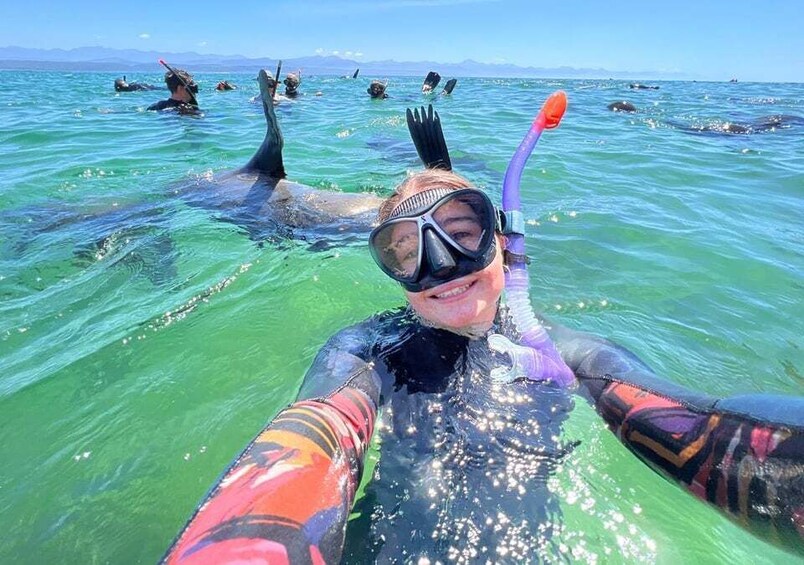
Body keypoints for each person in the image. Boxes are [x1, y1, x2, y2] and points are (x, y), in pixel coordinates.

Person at [161, 107, 803, 563]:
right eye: (407, 250)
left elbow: (690, 426)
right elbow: (313, 436)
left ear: (503, 244)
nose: (441, 268)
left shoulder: (569, 355)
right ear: (392, 273)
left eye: (462, 236)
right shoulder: (366, 355)